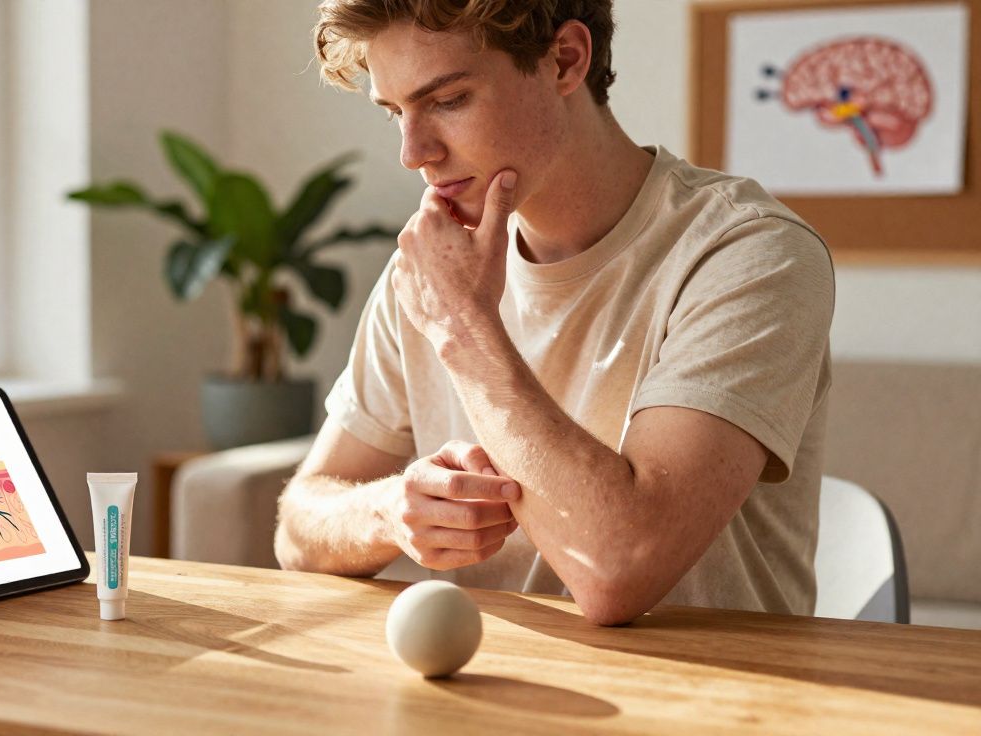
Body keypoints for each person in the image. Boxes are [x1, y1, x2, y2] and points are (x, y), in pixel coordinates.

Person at [274, 0, 835, 626]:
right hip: (484, 696)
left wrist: (463, 325)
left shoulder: (749, 252)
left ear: (565, 60)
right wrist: (388, 512)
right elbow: (297, 528)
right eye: (395, 112)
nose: (413, 152)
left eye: (448, 100)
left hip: (712, 702)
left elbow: (620, 568)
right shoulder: (432, 271)